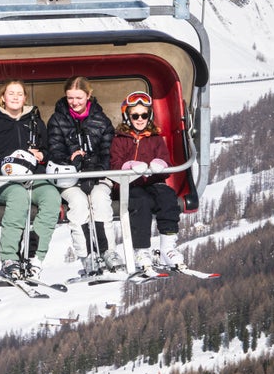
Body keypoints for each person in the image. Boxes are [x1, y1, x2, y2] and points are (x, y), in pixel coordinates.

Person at [0, 80, 61, 279]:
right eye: (11, 93)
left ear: (25, 98)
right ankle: (9, 257)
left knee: (51, 197)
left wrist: (41, 155)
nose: (15, 97)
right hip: (4, 181)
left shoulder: (35, 123)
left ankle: (35, 255)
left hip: (33, 176)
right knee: (18, 196)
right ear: (3, 97)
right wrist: (17, 157)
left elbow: (48, 151)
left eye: (19, 94)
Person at [46, 76, 124, 275]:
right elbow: (54, 149)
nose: (74, 102)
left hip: (97, 175)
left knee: (100, 201)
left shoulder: (101, 120)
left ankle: (108, 252)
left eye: (79, 98)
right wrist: (70, 159)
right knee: (79, 205)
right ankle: (87, 255)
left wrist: (94, 167)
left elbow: (108, 151)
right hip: (70, 177)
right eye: (70, 98)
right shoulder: (58, 119)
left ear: (88, 95)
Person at [109, 91, 184, 268]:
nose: (140, 119)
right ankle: (141, 251)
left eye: (144, 115)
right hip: (130, 185)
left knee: (167, 196)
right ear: (127, 117)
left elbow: (166, 164)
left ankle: (168, 247)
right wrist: (129, 167)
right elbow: (114, 165)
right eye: (135, 115)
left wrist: (160, 165)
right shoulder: (120, 140)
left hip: (151, 183)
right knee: (140, 202)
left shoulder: (155, 139)